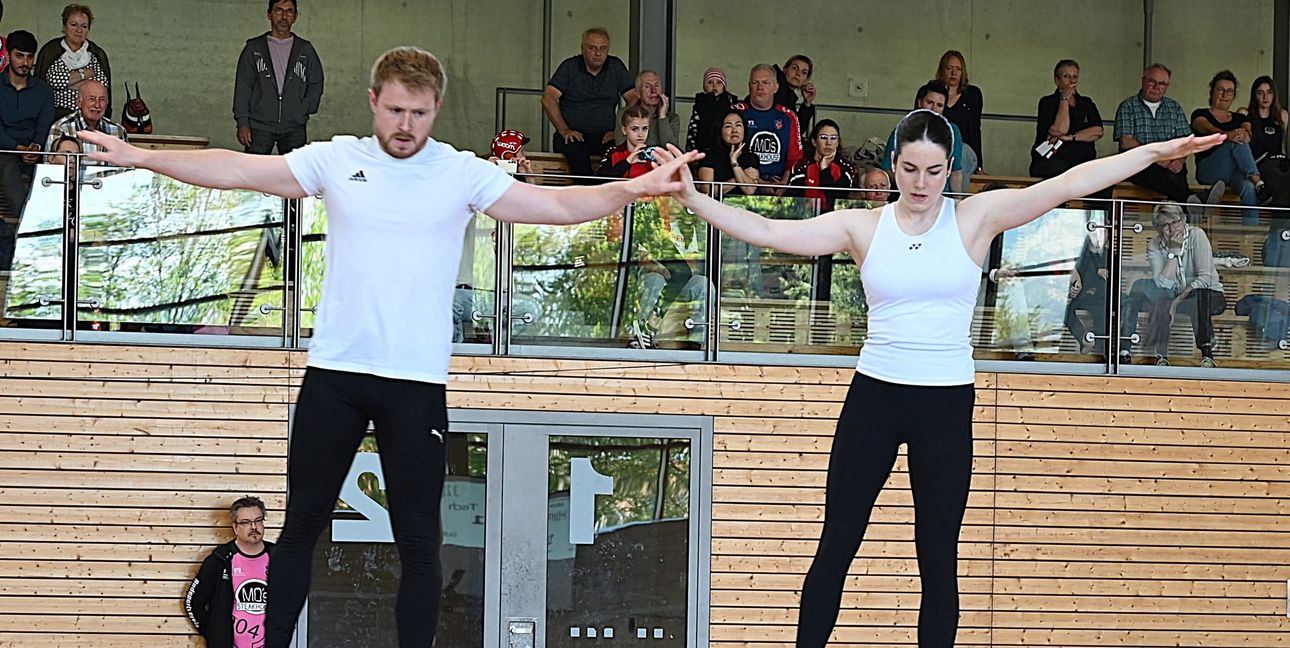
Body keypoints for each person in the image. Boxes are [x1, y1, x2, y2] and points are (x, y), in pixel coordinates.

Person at [81, 46, 696, 648]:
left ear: (437, 109)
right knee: (298, 534)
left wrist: (634, 188)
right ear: (374, 102)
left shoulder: (461, 172)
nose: (406, 126)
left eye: (420, 114)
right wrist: (139, 156)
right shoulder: (335, 159)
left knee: (420, 544)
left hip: (414, 383)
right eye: (396, 110)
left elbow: (557, 206)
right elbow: (238, 169)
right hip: (335, 376)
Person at [651, 111, 1222, 647]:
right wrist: (694, 198)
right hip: (875, 395)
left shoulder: (975, 217)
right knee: (837, 546)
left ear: (949, 170)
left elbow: (1069, 183)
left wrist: (1156, 150)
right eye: (908, 169)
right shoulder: (862, 225)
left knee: (937, 557)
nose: (920, 183)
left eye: (932, 171)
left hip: (946, 405)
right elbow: (768, 231)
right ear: (893, 164)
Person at [1119, 204, 1225, 368]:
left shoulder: (1197, 235)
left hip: (1209, 295)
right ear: (1158, 228)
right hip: (1175, 295)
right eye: (1164, 225)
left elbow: (1205, 278)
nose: (1170, 229)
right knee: (1157, 296)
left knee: (1199, 296)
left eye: (1174, 223)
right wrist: (1173, 252)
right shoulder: (1155, 244)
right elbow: (1163, 284)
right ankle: (1160, 356)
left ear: (1183, 220)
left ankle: (1207, 354)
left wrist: (1175, 303)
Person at [1116, 63, 1225, 212]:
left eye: (1161, 84)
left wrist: (1180, 160)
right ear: (1143, 81)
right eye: (1152, 81)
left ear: (1167, 86)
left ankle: (1191, 209)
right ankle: (1194, 203)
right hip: (1139, 164)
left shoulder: (1174, 107)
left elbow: (1186, 141)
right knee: (1166, 178)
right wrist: (1159, 159)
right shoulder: (1128, 106)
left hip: (1173, 165)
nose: (1156, 87)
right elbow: (1126, 142)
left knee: (1176, 176)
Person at [542, 27, 636, 182]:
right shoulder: (570, 67)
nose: (598, 53)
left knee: (618, 163)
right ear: (582, 49)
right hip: (574, 136)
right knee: (581, 168)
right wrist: (565, 130)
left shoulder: (615, 66)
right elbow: (548, 98)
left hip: (606, 136)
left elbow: (633, 97)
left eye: (602, 49)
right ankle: (588, 201)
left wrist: (618, 130)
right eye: (592, 48)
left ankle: (605, 201)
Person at [234, 0, 325, 155]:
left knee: (293, 175)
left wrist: (305, 108)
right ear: (269, 14)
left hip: (294, 127)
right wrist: (242, 123)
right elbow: (243, 87)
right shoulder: (254, 49)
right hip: (259, 126)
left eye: (289, 12)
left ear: (295, 17)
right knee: (256, 175)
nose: (284, 17)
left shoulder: (305, 50)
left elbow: (316, 82)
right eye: (278, 11)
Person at [185, 496, 274, 648]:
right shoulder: (219, 561)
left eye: (258, 520)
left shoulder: (279, 558)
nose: (254, 527)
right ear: (235, 527)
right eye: (246, 522)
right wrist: (214, 633)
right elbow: (193, 603)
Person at [0, 30, 54, 276]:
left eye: (29, 57)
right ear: (9, 56)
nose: (25, 62)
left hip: (34, 152)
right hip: (4, 150)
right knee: (8, 165)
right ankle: (30, 232)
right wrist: (17, 148)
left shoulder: (43, 91)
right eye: (19, 55)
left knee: (53, 172)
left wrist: (36, 147)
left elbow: (45, 126)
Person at [1191, 70, 1270, 225]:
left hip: (1233, 173)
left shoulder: (1241, 118)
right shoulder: (1200, 114)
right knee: (1234, 142)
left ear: (1234, 96)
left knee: (1248, 186)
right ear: (1212, 91)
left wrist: (1243, 135)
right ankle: (1260, 183)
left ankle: (1250, 235)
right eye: (1220, 90)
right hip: (1209, 169)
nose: (1225, 94)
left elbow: (1247, 133)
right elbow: (1206, 129)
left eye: (1229, 91)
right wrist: (1228, 135)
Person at [881, 80, 965, 193]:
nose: (934, 109)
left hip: (941, 196)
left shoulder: (952, 131)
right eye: (929, 102)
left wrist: (956, 204)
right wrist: (910, 182)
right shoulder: (903, 129)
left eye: (939, 105)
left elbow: (956, 173)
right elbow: (888, 169)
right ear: (920, 102)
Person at [734, 64, 803, 193]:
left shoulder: (789, 116)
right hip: (742, 185)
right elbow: (728, 155)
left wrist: (785, 183)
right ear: (749, 86)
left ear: (776, 87)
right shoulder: (736, 113)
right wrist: (759, 183)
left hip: (779, 188)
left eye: (766, 83)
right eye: (755, 83)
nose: (760, 87)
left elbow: (795, 158)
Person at [1030, 59, 1104, 180]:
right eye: (1066, 76)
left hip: (1083, 163)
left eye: (1075, 76)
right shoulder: (1047, 102)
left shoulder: (1086, 103)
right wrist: (1064, 99)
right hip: (1053, 162)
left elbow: (1098, 131)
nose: (1072, 81)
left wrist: (1070, 137)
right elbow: (1060, 130)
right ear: (1057, 80)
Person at [34, 3, 109, 121]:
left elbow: (102, 85)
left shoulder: (96, 53)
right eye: (74, 24)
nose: (79, 30)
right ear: (64, 27)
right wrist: (85, 76)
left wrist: (67, 82)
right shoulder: (50, 50)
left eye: (84, 26)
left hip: (89, 118)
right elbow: (50, 81)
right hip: (55, 118)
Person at [788, 119, 856, 211]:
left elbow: (839, 197)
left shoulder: (846, 167)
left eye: (833, 138)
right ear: (814, 142)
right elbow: (794, 200)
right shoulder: (801, 166)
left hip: (835, 220)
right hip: (807, 218)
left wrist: (824, 169)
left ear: (838, 142)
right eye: (823, 137)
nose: (828, 143)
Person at [1064, 222, 1110, 355]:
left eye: (1104, 232)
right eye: (1095, 231)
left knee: (1103, 308)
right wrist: (1073, 289)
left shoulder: (1109, 255)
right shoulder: (1080, 252)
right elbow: (1071, 274)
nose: (1099, 235)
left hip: (1098, 297)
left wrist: (1102, 273)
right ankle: (1084, 340)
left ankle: (1103, 352)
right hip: (1078, 297)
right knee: (1065, 309)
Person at [1239, 75, 1289, 196]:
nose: (1265, 97)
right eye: (1260, 93)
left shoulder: (1282, 115)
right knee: (1278, 178)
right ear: (1254, 95)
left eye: (1269, 92)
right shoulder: (1245, 114)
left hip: (1280, 160)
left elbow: (1284, 146)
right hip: (1260, 163)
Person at [44, 78, 125, 153]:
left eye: (102, 100)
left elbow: (127, 167)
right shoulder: (61, 128)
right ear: (78, 102)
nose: (97, 105)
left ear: (107, 103)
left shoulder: (118, 131)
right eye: (91, 99)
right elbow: (49, 166)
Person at [936, 50, 982, 172]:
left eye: (958, 69)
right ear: (942, 71)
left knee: (962, 155)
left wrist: (979, 165)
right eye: (949, 68)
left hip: (964, 151)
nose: (953, 73)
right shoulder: (933, 94)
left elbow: (975, 131)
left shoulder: (973, 94)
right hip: (938, 149)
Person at [695, 107, 759, 195]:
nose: (734, 130)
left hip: (742, 207)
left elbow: (750, 190)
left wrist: (734, 162)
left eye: (738, 125)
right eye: (728, 126)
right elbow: (708, 191)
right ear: (720, 131)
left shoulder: (751, 157)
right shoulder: (709, 155)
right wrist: (739, 178)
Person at [615, 70, 680, 148]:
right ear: (638, 93)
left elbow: (672, 150)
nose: (653, 91)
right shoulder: (624, 114)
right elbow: (620, 146)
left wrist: (662, 117)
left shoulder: (672, 118)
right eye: (647, 86)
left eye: (657, 85)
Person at [684, 66, 737, 154]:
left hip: (726, 150)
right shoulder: (700, 105)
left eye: (719, 82)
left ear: (724, 86)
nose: (714, 86)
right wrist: (691, 150)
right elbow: (693, 129)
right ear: (704, 87)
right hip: (704, 149)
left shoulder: (731, 103)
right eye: (710, 82)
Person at [597, 105, 653, 179]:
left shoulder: (655, 154)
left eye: (645, 129)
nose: (641, 134)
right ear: (624, 130)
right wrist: (626, 162)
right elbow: (600, 180)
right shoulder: (614, 152)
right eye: (635, 129)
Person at [774, 54, 816, 141]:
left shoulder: (790, 97)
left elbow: (796, 131)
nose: (798, 73)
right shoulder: (774, 87)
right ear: (785, 70)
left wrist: (807, 103)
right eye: (794, 68)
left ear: (806, 80)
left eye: (804, 72)